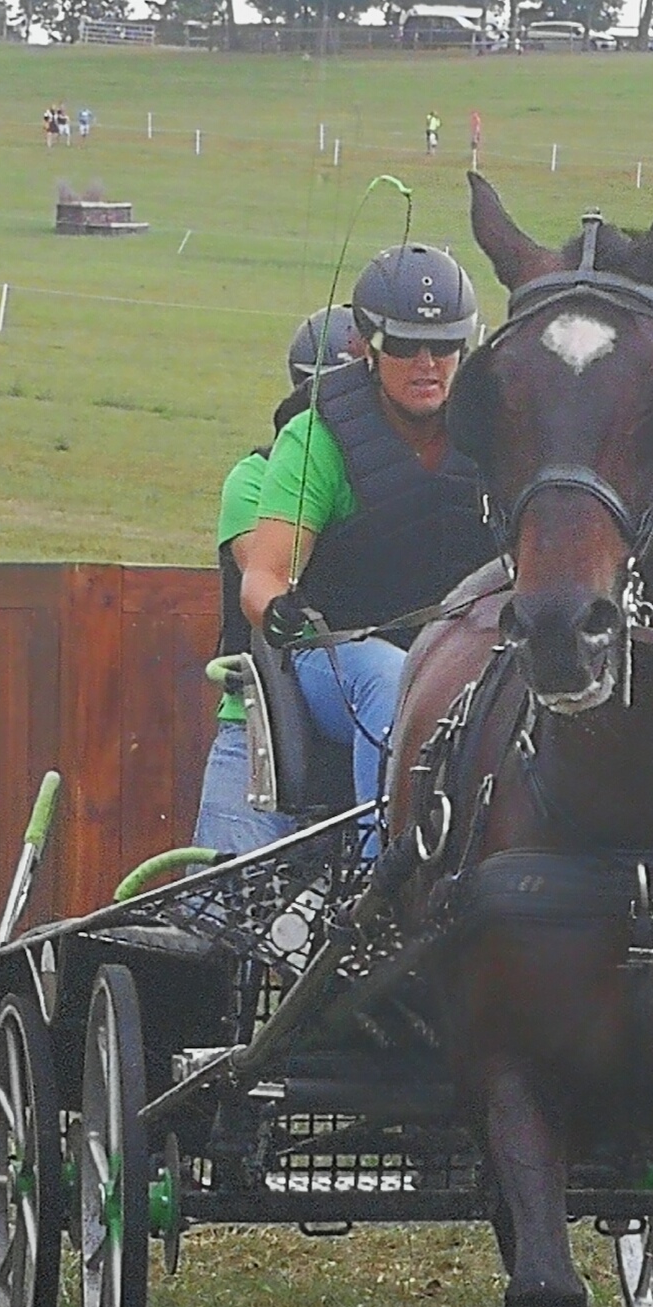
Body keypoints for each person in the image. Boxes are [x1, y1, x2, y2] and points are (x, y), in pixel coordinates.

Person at [193, 248, 492, 857]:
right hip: (336, 662)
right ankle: (382, 875)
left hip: (465, 658)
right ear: (371, 346)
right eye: (407, 346)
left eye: (445, 346)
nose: (428, 363)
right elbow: (263, 579)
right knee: (388, 675)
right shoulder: (315, 440)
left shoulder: (498, 429)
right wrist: (282, 611)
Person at [195, 305, 365, 855]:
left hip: (368, 704)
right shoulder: (255, 479)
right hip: (263, 718)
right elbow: (271, 571)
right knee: (225, 897)